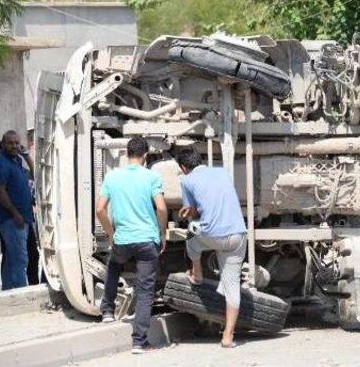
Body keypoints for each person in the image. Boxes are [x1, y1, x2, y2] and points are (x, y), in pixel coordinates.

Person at [95, 137, 168, 354]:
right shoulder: (152, 176)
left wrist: (111, 234)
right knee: (146, 290)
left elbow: (100, 210)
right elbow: (162, 208)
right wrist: (162, 233)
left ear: (127, 154)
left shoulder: (112, 176)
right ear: (145, 155)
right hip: (147, 241)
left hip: (122, 240)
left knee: (114, 265)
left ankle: (107, 311)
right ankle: (139, 342)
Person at [176, 148, 247, 348]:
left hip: (212, 236)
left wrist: (186, 211)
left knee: (191, 238)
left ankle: (197, 273)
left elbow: (192, 210)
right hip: (237, 235)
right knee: (232, 286)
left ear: (183, 167)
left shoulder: (187, 181)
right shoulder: (222, 172)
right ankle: (227, 337)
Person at [0, 131, 34, 290]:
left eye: (16, 143)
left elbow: (35, 176)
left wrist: (26, 156)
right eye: (10, 143)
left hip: (24, 219)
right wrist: (15, 213)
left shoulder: (17, 162)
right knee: (19, 260)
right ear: (3, 144)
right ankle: (20, 294)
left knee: (12, 261)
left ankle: (9, 293)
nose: (14, 146)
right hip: (12, 220)